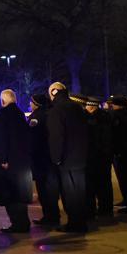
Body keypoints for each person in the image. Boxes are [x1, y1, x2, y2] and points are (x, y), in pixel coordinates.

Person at [46, 82, 88, 233]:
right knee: (80, 192)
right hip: (80, 156)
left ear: (54, 92)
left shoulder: (56, 110)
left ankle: (75, 224)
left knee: (70, 194)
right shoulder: (76, 106)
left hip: (66, 159)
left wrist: (56, 158)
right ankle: (81, 221)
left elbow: (56, 137)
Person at [0, 89, 33, 233]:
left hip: (8, 162)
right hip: (21, 162)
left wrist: (3, 159)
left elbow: (1, 139)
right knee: (19, 194)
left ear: (3, 100)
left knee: (10, 195)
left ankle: (17, 224)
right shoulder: (20, 114)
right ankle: (23, 222)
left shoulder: (2, 115)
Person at [83, 96, 114, 219]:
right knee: (105, 184)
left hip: (93, 157)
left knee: (90, 185)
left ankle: (90, 210)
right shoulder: (106, 116)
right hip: (105, 157)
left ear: (90, 107)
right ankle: (106, 208)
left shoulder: (90, 119)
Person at [28, 94, 55, 226]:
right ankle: (53, 215)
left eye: (31, 102)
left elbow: (32, 138)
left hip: (40, 158)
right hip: (50, 157)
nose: (30, 104)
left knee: (43, 190)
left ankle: (49, 217)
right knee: (51, 189)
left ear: (36, 104)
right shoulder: (51, 113)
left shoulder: (36, 117)